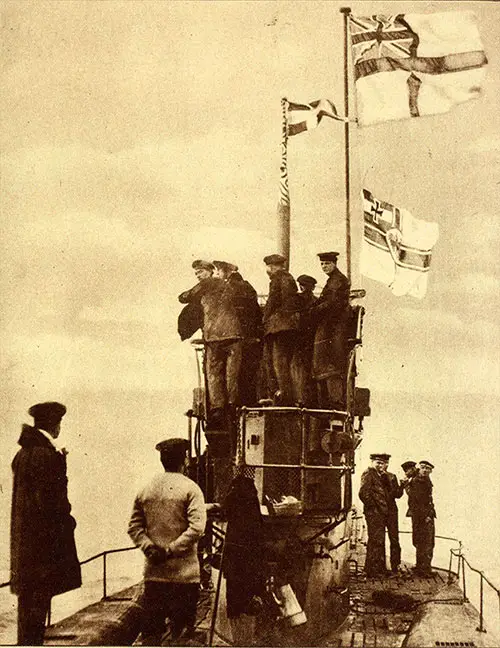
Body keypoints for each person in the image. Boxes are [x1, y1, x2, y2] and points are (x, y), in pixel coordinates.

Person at [10, 402, 81, 645]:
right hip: (42, 554)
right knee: (36, 616)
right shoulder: (45, 455)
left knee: (28, 617)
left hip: (26, 553)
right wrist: (68, 522)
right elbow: (52, 504)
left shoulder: (23, 454)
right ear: (54, 424)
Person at [128, 438, 207, 645]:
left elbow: (134, 527)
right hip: (184, 577)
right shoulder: (191, 489)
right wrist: (170, 550)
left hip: (154, 575)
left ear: (162, 460)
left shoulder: (146, 489)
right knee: (181, 636)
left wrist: (150, 547)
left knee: (152, 634)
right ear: (185, 460)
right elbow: (197, 528)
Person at [179, 260, 243, 427]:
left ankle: (218, 407)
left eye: (200, 272)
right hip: (234, 334)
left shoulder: (207, 284)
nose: (198, 276)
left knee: (214, 372)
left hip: (215, 337)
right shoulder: (227, 285)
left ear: (209, 271)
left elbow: (183, 297)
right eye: (196, 273)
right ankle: (232, 403)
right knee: (231, 373)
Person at [212, 260, 263, 406]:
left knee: (237, 374)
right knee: (247, 373)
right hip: (249, 336)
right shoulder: (247, 286)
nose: (217, 274)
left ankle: (235, 406)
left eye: (219, 271)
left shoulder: (230, 287)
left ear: (227, 272)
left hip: (239, 336)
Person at [309, 252, 350, 409]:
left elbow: (331, 303)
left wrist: (313, 311)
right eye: (322, 264)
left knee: (329, 364)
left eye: (327, 263)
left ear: (334, 263)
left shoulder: (337, 280)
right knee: (325, 364)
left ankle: (333, 401)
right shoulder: (332, 280)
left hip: (333, 326)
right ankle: (328, 401)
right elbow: (323, 301)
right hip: (330, 324)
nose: (324, 266)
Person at [262, 254, 300, 405]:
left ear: (272, 267)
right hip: (290, 326)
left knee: (279, 361)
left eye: (269, 267)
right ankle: (287, 394)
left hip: (280, 327)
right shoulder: (289, 279)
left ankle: (283, 396)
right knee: (288, 362)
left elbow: (273, 301)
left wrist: (264, 319)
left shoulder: (277, 279)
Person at [358, 453, 393, 577]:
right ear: (372, 462)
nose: (380, 465)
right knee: (375, 541)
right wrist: (373, 508)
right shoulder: (368, 473)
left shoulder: (379, 475)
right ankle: (372, 571)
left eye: (383, 463)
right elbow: (363, 493)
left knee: (379, 540)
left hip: (380, 513)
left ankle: (380, 568)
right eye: (378, 462)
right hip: (374, 513)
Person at [291, 275, 318, 405]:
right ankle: (308, 399)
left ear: (301, 286)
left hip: (298, 339)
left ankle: (299, 398)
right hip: (312, 340)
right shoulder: (315, 300)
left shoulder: (297, 299)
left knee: (297, 367)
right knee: (309, 370)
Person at [407, 460, 436, 577]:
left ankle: (420, 567)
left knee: (421, 541)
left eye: (428, 469)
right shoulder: (418, 481)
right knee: (427, 542)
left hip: (418, 515)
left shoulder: (424, 480)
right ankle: (424, 570)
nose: (425, 470)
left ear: (430, 471)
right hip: (422, 516)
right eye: (423, 468)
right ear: (419, 468)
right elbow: (418, 501)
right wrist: (427, 516)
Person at [380, 457, 404, 574]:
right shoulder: (374, 476)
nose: (384, 465)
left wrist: (402, 487)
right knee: (379, 539)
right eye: (381, 463)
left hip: (392, 511)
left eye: (386, 463)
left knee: (394, 538)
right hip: (379, 511)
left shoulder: (392, 476)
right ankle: (380, 567)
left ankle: (395, 565)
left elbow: (397, 495)